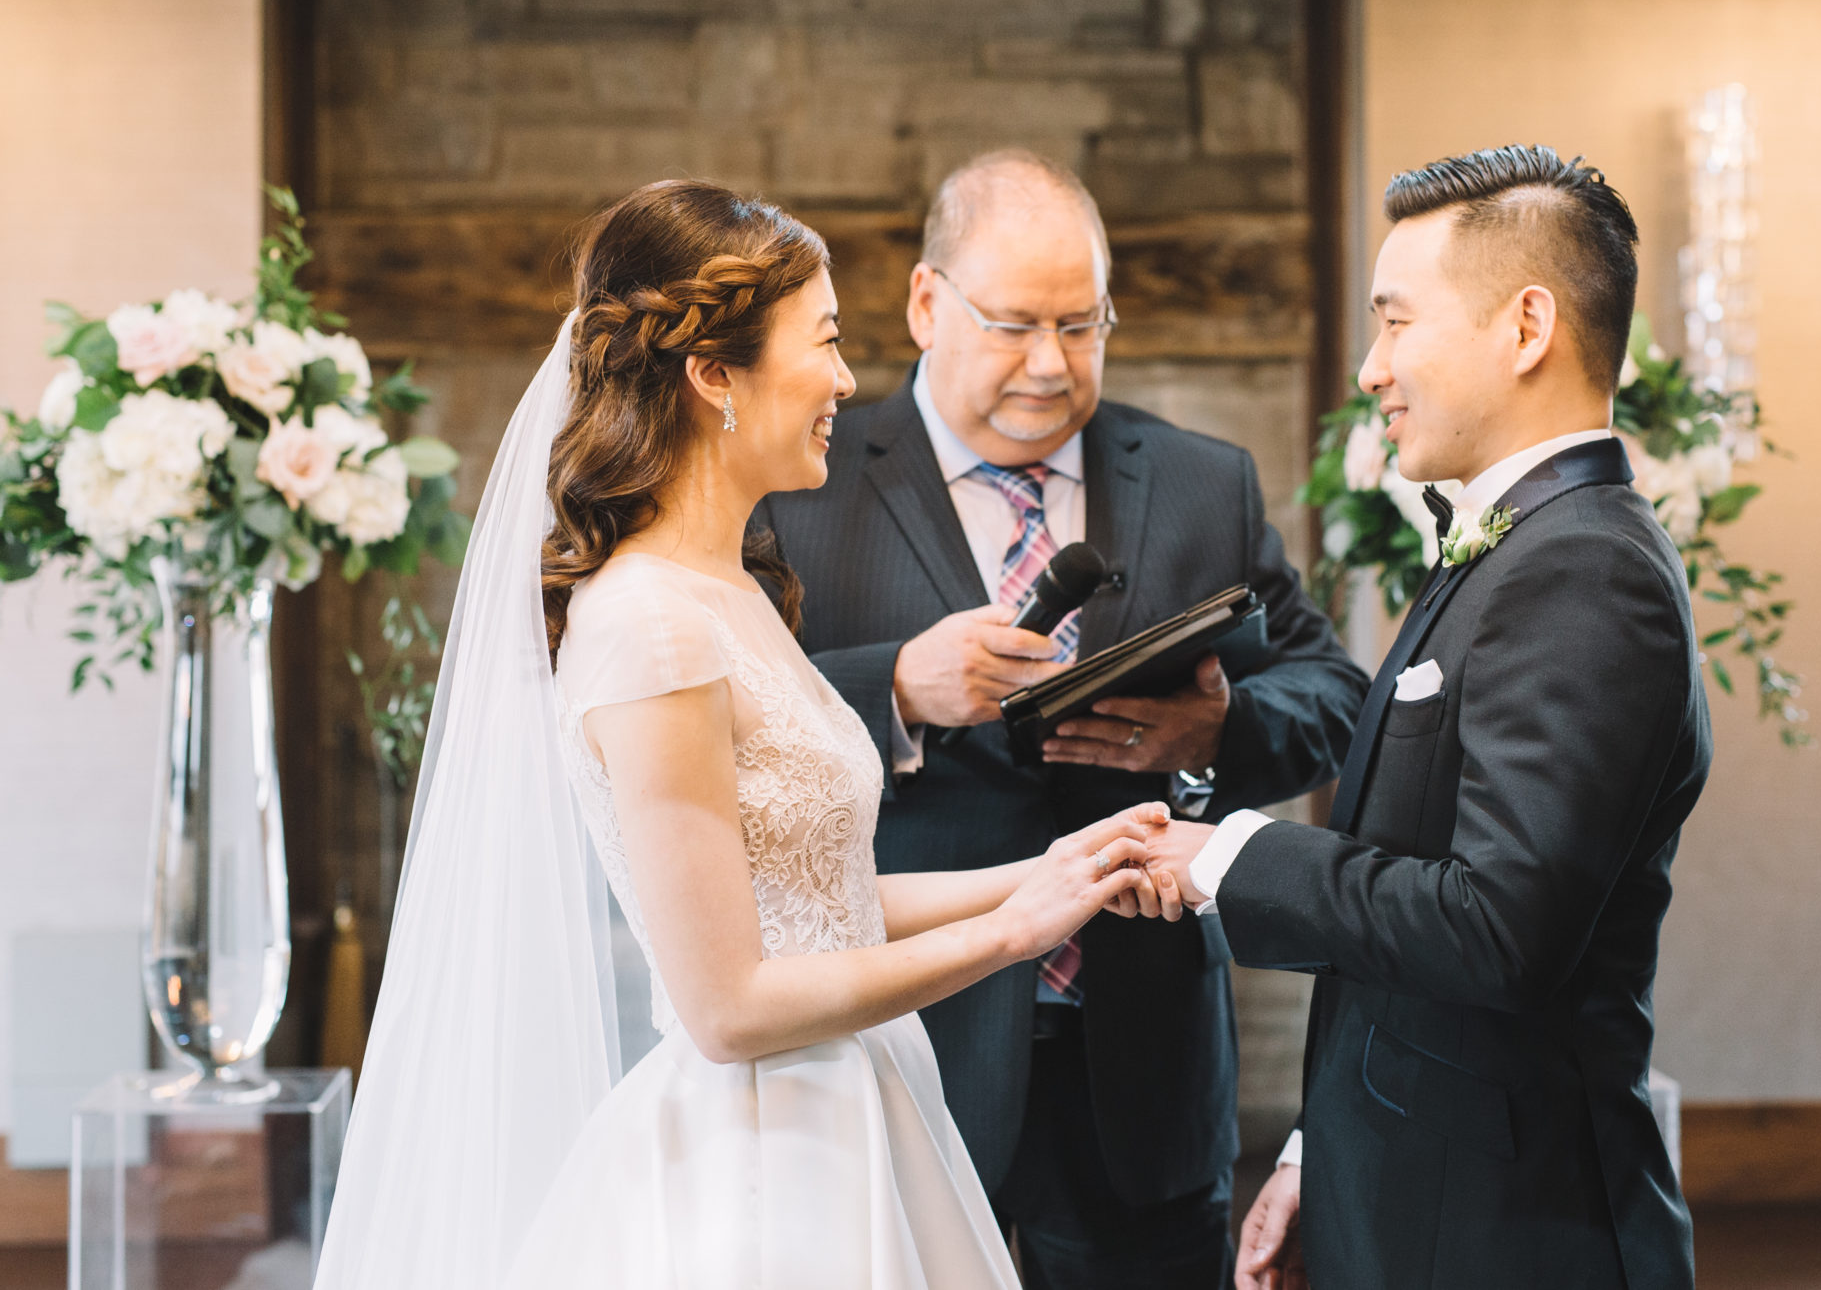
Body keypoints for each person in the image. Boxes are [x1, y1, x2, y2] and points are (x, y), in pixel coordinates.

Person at [312, 180, 1187, 1290]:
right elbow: (727, 1006)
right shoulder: (648, 624)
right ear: (714, 374)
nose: (846, 380)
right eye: (824, 341)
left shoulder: (731, 593)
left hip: (852, 1108)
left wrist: (1053, 870)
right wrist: (1014, 932)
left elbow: (818, 902)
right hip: (767, 1159)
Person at [754, 150, 1370, 1289]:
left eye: (1082, 326)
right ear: (927, 303)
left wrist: (1213, 736)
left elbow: (1333, 690)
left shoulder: (1201, 482)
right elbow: (729, 729)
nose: (1051, 363)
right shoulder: (804, 485)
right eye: (1014, 326)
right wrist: (896, 688)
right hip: (907, 1040)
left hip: (1141, 1062)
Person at [1143, 145, 1713, 1290]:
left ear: (1525, 327)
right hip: (1417, 1185)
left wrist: (1227, 857)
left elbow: (1493, 929)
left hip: (1508, 1235)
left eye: (1395, 323)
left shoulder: (1584, 569)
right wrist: (1319, 1149)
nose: (1370, 368)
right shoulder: (1510, 547)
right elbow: (1410, 901)